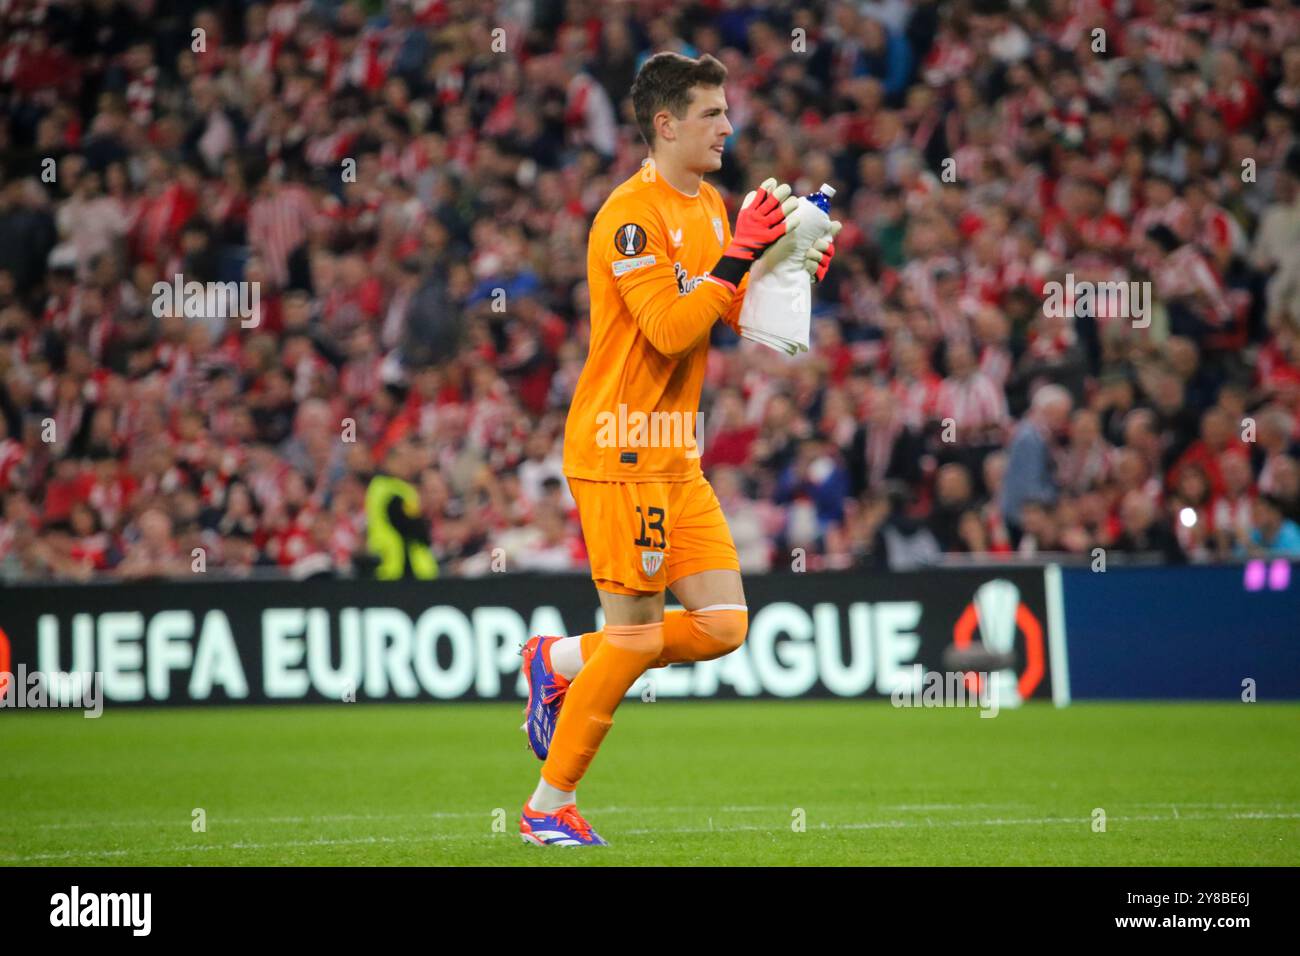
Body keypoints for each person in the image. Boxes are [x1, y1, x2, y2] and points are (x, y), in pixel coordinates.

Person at [514, 51, 838, 846]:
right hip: (621, 444)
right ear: (665, 125)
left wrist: (788, 270)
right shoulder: (632, 216)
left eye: (726, 112)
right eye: (711, 114)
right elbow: (666, 329)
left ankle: (556, 662)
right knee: (634, 637)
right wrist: (737, 259)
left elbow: (731, 315)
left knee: (725, 623)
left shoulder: (713, 204)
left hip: (672, 452)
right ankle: (545, 808)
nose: (728, 126)